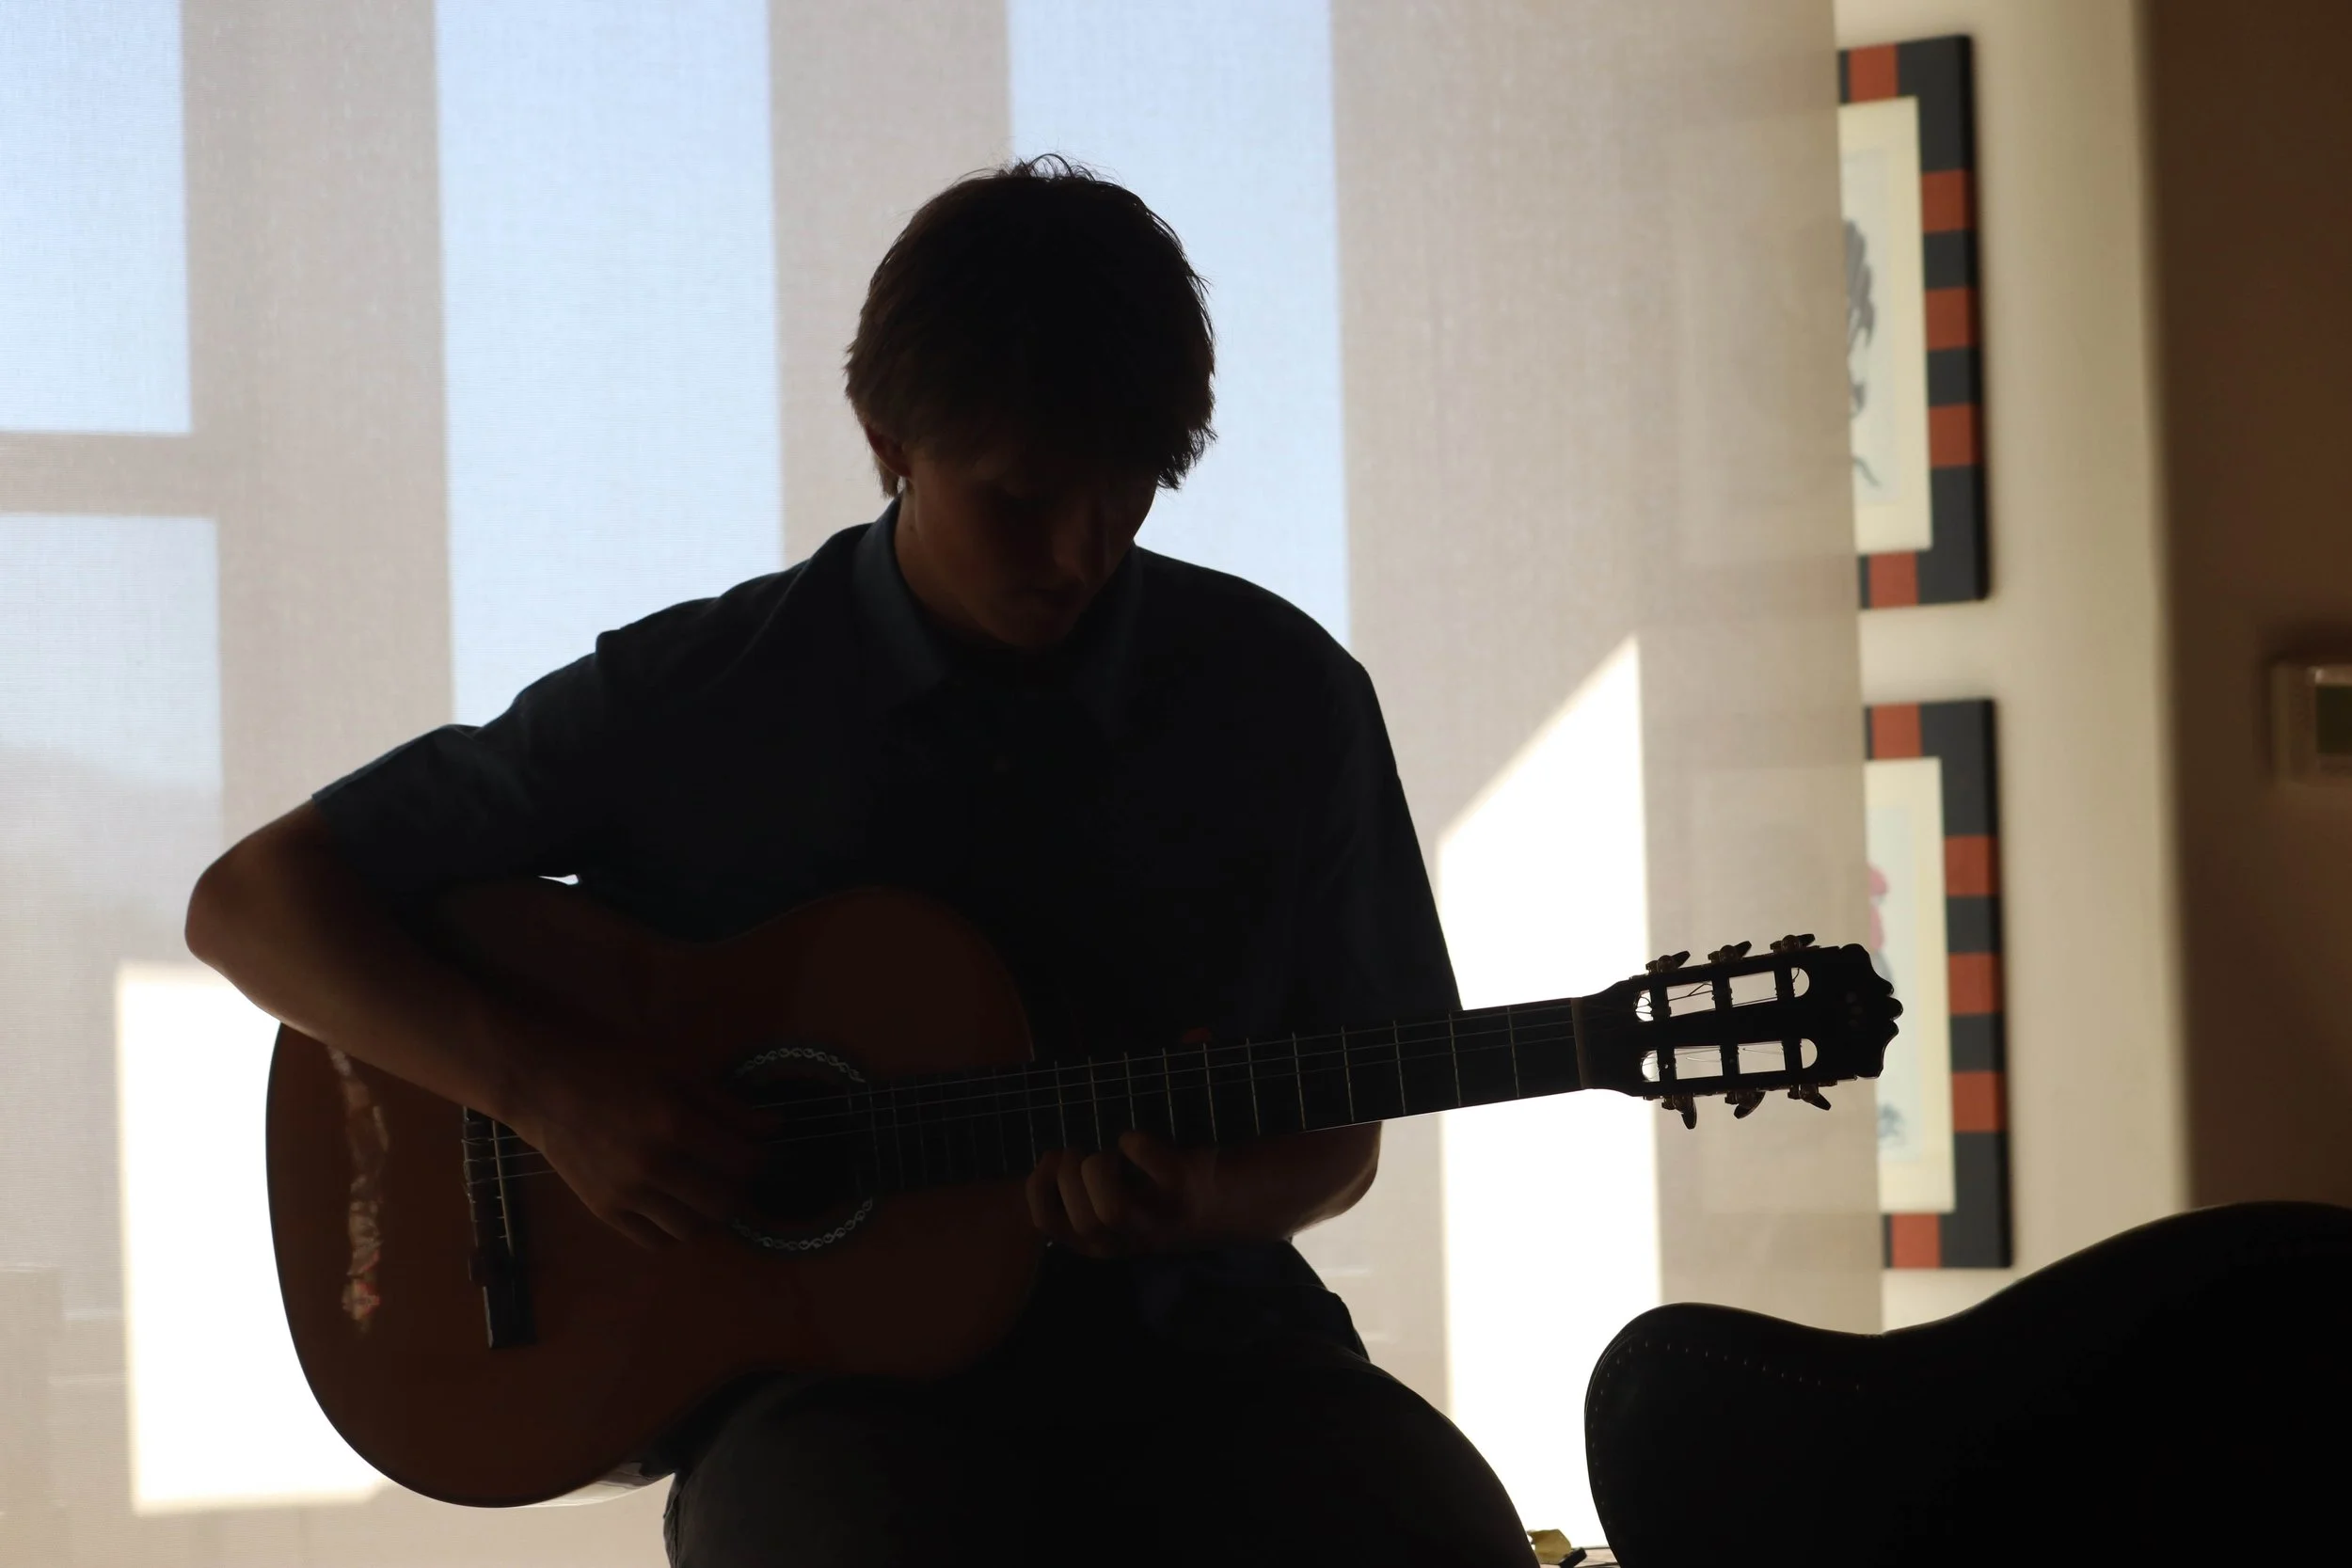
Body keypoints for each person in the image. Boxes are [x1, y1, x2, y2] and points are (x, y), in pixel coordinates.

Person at [186, 156, 1531, 1566]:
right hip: (828, 1402)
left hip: (1210, 1356)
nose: (1078, 552)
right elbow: (250, 903)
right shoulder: (697, 697)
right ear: (889, 439)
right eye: (1020, 498)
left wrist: (1200, 1203)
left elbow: (1341, 1130)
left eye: (1124, 492)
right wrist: (552, 1094)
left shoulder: (1285, 699)